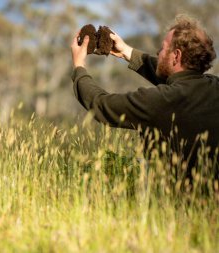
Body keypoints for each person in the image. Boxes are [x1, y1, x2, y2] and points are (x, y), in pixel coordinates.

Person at [70, 15, 218, 180]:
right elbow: (177, 79)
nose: (158, 52)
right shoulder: (214, 85)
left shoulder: (162, 101)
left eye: (163, 48)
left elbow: (101, 105)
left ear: (176, 56)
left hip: (176, 201)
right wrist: (127, 52)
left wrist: (79, 67)